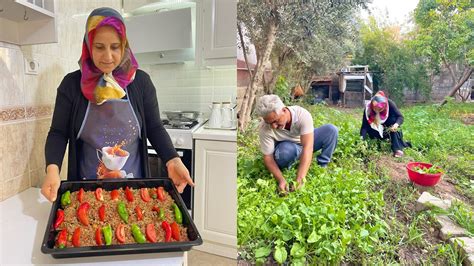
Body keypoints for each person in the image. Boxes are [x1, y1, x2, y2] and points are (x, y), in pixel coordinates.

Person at [41, 7, 194, 202]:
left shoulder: (141, 82)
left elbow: (154, 127)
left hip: (134, 190)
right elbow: (58, 133)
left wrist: (173, 160)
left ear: (124, 46)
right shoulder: (71, 85)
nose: (108, 56)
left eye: (114, 47)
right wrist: (52, 169)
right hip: (86, 190)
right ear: (88, 46)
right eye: (99, 47)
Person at [256, 94, 339, 193]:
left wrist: (300, 179)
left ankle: (322, 165)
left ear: (284, 110)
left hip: (305, 141)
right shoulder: (265, 128)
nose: (273, 126)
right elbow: (268, 158)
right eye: (269, 123)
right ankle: (289, 164)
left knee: (331, 130)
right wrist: (281, 180)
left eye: (276, 121)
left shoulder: (301, 114)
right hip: (287, 148)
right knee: (284, 153)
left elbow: (308, 147)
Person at [360, 91, 411, 157]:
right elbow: (364, 126)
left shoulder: (389, 103)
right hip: (376, 130)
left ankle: (397, 149)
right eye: (375, 109)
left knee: (393, 121)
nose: (377, 111)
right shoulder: (368, 109)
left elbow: (400, 117)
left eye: (380, 109)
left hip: (389, 130)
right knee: (368, 126)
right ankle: (377, 142)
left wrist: (396, 125)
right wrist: (361, 141)